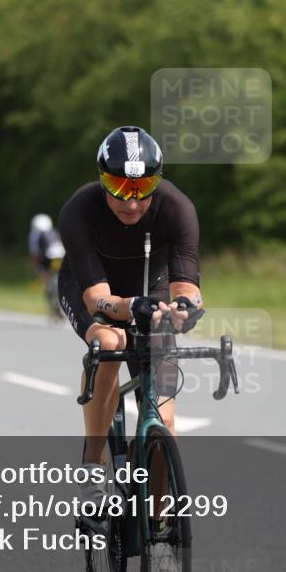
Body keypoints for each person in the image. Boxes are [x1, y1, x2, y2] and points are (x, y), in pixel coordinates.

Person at [57, 126, 205, 505]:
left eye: (143, 188)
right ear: (102, 181)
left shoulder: (177, 208)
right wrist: (129, 307)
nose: (133, 202)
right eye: (120, 187)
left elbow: (186, 284)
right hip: (91, 289)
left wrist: (185, 308)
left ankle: (158, 522)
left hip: (149, 292)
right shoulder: (79, 211)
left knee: (166, 423)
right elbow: (97, 300)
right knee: (108, 343)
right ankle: (93, 467)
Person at [28, 213, 61, 290]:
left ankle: (50, 287)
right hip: (61, 257)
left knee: (41, 270)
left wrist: (35, 266)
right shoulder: (54, 232)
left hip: (47, 259)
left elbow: (35, 253)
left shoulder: (34, 235)